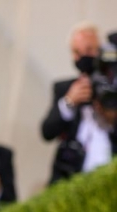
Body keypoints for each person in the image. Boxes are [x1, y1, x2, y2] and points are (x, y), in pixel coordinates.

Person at [41, 22, 117, 183]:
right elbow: (47, 131)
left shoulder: (113, 91)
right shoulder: (64, 88)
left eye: (89, 49)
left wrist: (111, 115)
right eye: (76, 51)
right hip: (70, 177)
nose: (82, 56)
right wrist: (69, 102)